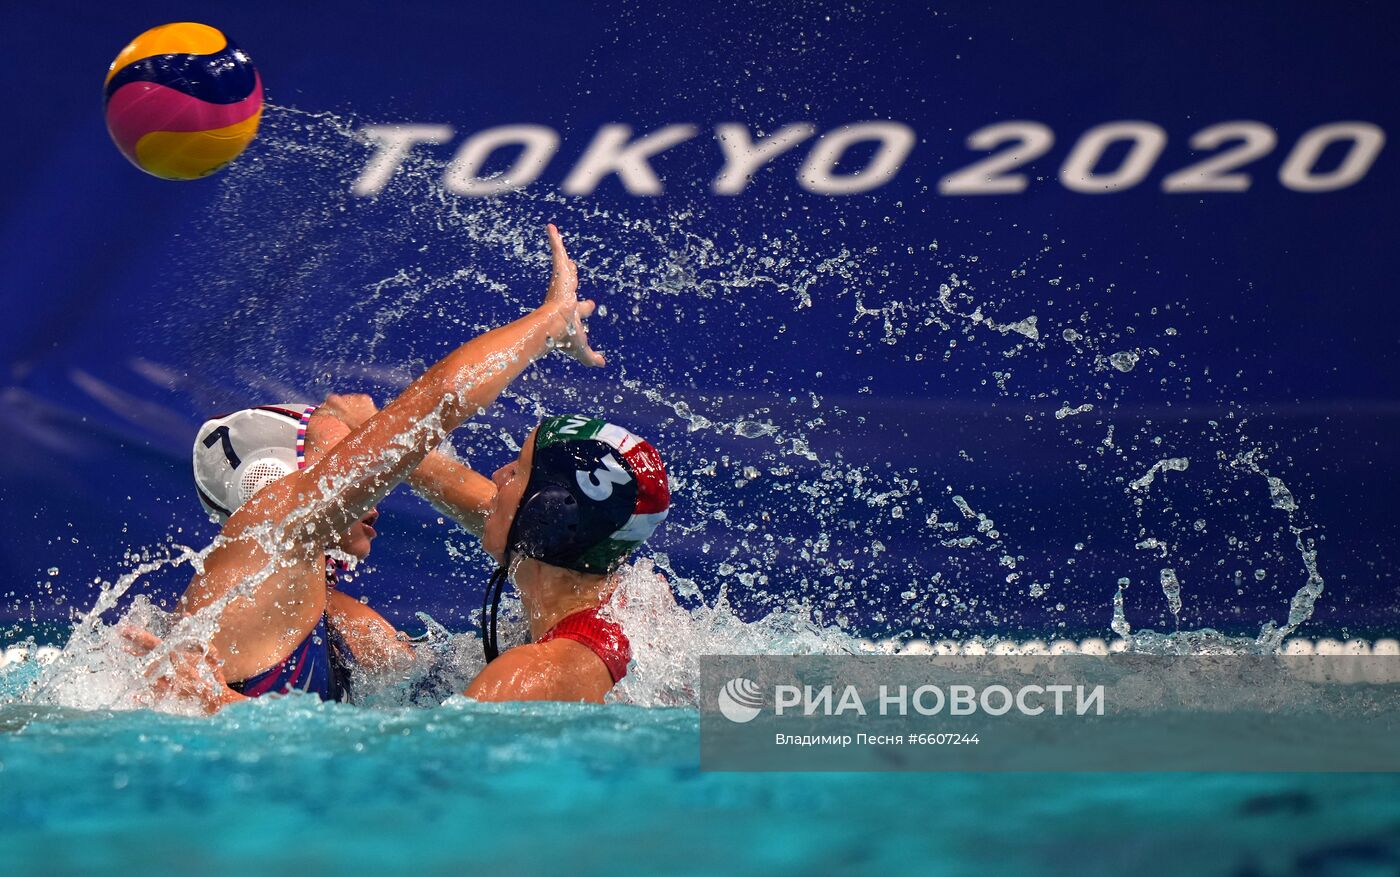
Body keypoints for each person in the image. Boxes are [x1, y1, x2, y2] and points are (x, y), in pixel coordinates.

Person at [149, 224, 604, 712]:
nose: (374, 482)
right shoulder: (270, 529)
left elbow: (522, 527)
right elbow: (436, 403)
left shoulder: (345, 626)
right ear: (281, 478)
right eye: (350, 451)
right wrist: (549, 322)